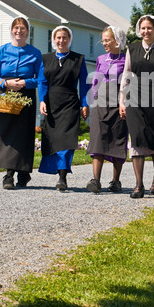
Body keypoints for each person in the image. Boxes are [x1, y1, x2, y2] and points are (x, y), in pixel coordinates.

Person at [120, 15, 154, 198]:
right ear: (139, 30)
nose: (146, 31)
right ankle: (138, 185)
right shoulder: (132, 48)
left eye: (149, 28)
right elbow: (126, 73)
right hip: (135, 99)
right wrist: (122, 100)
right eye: (143, 28)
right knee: (136, 138)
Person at [0, 16, 42, 189]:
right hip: (5, 94)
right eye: (16, 28)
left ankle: (22, 172)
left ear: (28, 31)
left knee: (23, 135)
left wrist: (25, 83)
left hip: (25, 96)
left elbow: (40, 79)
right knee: (6, 134)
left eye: (22, 28)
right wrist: (6, 83)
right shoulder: (1, 50)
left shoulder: (35, 53)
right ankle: (9, 174)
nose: (19, 31)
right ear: (11, 30)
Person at [38, 25, 90, 191]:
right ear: (54, 39)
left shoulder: (78, 59)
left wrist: (85, 103)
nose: (61, 40)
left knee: (67, 140)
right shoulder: (45, 59)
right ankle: (58, 171)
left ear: (69, 39)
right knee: (53, 139)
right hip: (52, 104)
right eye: (58, 37)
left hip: (70, 103)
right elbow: (42, 81)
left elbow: (84, 84)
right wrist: (42, 100)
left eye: (64, 37)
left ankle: (62, 176)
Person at [86, 26, 128, 193]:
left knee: (118, 138)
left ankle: (115, 181)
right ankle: (95, 180)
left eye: (107, 40)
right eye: (102, 40)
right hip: (100, 102)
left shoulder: (126, 59)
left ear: (117, 40)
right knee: (97, 138)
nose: (104, 43)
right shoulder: (100, 59)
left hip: (120, 102)